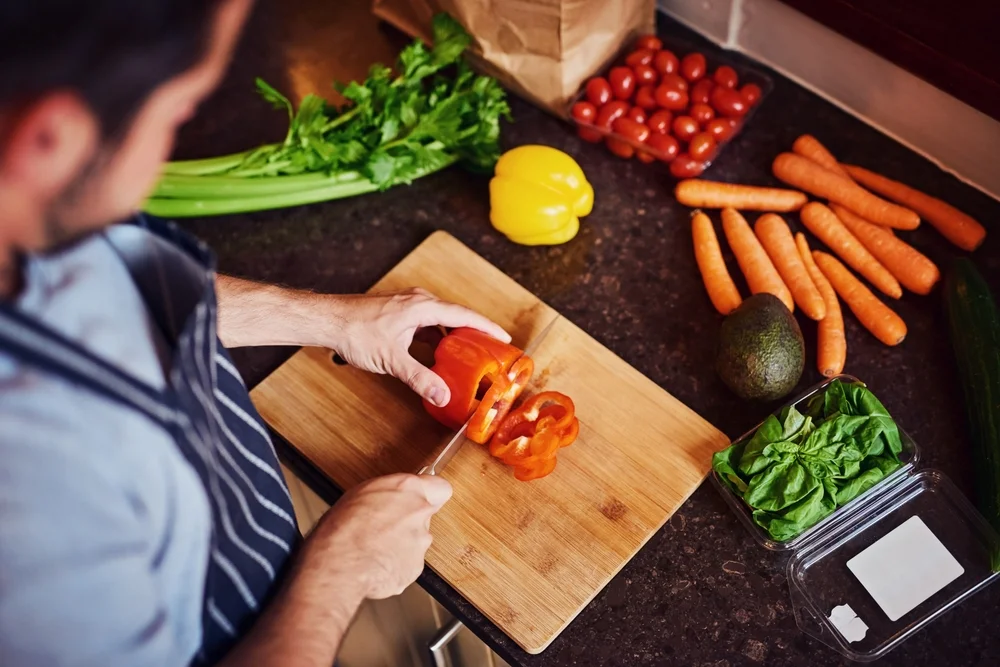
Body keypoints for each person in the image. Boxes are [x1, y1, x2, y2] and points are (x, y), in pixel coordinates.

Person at [0, 1, 509, 665]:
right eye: (179, 114)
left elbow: (119, 276)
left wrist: (330, 316)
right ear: (48, 141)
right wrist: (341, 568)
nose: (170, 149)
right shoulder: (30, 500)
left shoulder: (30, 206)